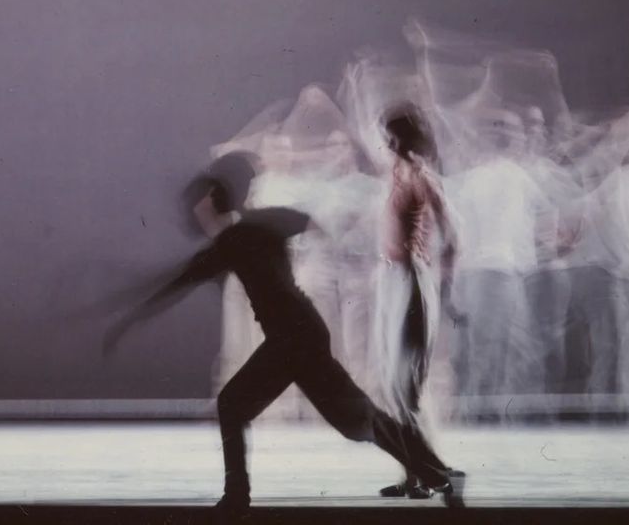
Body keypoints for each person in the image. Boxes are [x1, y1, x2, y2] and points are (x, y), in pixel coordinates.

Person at [102, 150, 465, 512]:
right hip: (302, 332)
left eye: (197, 207)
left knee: (236, 406)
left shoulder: (234, 240)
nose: (193, 216)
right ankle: (439, 475)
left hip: (292, 338)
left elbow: (174, 282)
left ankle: (236, 497)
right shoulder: (259, 226)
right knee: (356, 422)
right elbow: (304, 221)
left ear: (212, 203)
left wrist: (125, 321)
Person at [374, 104, 464, 498]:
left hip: (412, 279)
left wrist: (445, 291)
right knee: (394, 388)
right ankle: (413, 476)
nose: (387, 143)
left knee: (404, 387)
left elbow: (453, 237)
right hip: (393, 279)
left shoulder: (421, 177)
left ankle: (433, 476)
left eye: (393, 135)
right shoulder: (397, 172)